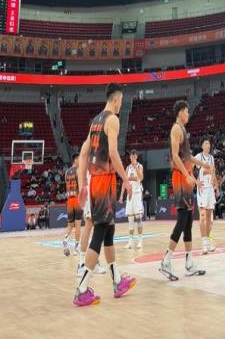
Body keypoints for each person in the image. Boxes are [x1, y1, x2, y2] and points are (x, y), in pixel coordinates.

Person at [74, 83, 136, 306]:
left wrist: (83, 185)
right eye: (121, 101)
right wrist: (126, 179)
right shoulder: (112, 120)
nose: (121, 105)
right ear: (116, 99)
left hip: (94, 181)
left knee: (109, 231)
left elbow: (83, 154)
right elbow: (113, 152)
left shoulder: (95, 122)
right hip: (105, 182)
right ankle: (81, 289)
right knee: (100, 231)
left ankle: (117, 281)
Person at [159, 100, 212, 281]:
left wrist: (203, 164)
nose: (188, 114)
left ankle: (189, 263)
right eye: (187, 111)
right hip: (180, 177)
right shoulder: (176, 129)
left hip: (186, 176)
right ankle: (166, 260)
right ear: (180, 112)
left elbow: (187, 156)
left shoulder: (182, 130)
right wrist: (187, 175)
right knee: (182, 220)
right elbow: (175, 156)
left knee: (188, 221)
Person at [195, 139, 218, 254]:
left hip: (210, 189)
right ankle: (204, 244)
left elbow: (213, 172)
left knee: (209, 217)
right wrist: (196, 181)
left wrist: (216, 186)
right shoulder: (199, 156)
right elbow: (189, 168)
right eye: (205, 143)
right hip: (202, 189)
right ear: (202, 146)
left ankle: (208, 242)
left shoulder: (212, 158)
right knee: (203, 216)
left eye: (209, 143)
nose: (208, 145)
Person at [120, 150, 145, 249]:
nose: (133, 158)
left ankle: (140, 241)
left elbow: (141, 177)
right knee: (130, 219)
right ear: (130, 157)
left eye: (134, 156)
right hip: (129, 195)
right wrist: (121, 196)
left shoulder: (139, 166)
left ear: (136, 157)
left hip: (137, 194)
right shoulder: (127, 168)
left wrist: (135, 167)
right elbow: (125, 182)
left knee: (138, 218)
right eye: (131, 157)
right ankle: (130, 242)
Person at [62, 154, 83, 257]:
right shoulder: (78, 171)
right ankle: (76, 249)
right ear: (75, 160)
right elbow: (81, 186)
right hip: (77, 199)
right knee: (78, 225)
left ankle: (65, 238)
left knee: (70, 225)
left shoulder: (66, 172)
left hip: (69, 200)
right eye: (79, 159)